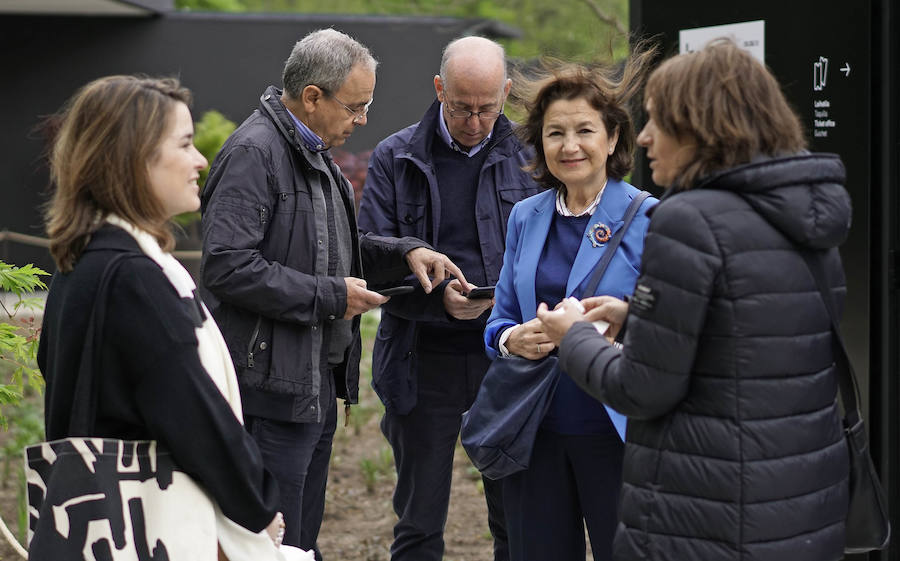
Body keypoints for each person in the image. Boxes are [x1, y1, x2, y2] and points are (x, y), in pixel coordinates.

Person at [537, 39, 852, 561]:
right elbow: (756, 337)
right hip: (803, 511)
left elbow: (640, 389)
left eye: (659, 120)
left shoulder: (688, 220)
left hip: (708, 519)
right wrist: (639, 316)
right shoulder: (806, 218)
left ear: (702, 125)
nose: (642, 137)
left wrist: (573, 337)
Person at [199, 28, 464, 560]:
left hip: (309, 385)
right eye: (356, 106)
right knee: (270, 545)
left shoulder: (312, 152)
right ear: (313, 96)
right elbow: (227, 266)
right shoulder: (256, 152)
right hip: (267, 391)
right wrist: (328, 296)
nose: (363, 119)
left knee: (298, 542)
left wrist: (407, 251)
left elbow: (338, 251)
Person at [36, 75, 305, 560]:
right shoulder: (138, 278)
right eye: (184, 143)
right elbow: (194, 413)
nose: (201, 159)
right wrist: (258, 504)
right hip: (152, 525)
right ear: (132, 158)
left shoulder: (79, 265)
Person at [357, 36, 539, 561]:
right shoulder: (395, 156)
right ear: (439, 90)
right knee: (419, 519)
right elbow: (368, 254)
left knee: (515, 516)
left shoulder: (531, 156)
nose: (476, 121)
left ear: (506, 93)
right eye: (462, 107)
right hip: (421, 359)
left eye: (488, 108)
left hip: (504, 359)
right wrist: (437, 298)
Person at [483, 57, 657, 561]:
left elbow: (672, 328)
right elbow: (500, 318)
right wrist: (509, 339)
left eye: (585, 130)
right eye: (555, 133)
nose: (570, 145)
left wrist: (617, 326)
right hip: (533, 429)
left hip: (619, 433)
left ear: (612, 137)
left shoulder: (649, 217)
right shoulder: (525, 216)